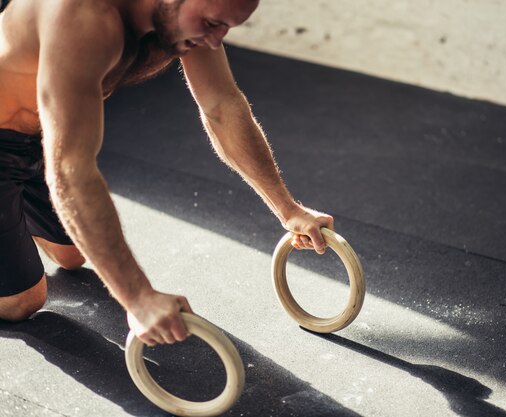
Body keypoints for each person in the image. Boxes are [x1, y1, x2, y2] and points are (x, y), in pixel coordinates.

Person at [0, 0, 333, 346]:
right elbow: (70, 170)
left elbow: (221, 106)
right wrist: (138, 297)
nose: (216, 39)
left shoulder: (185, 23)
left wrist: (288, 209)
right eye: (211, 23)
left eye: (225, 28)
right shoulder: (84, 17)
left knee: (73, 255)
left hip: (42, 137)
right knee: (22, 302)